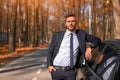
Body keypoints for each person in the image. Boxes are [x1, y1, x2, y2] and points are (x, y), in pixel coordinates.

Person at [47, 14, 101, 80]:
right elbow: (50, 50)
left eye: (73, 21)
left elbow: (97, 40)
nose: (71, 23)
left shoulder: (81, 34)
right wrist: (49, 65)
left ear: (75, 22)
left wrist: (90, 47)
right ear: (66, 23)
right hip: (56, 70)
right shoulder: (58, 35)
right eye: (68, 21)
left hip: (71, 72)